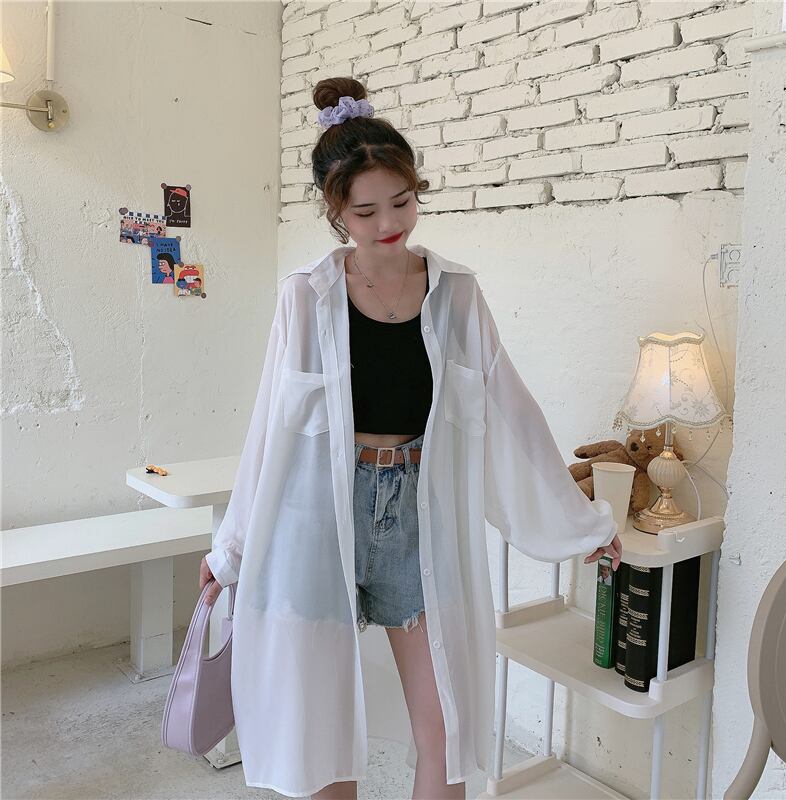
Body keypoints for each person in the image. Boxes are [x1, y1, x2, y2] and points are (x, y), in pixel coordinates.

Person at [198, 77, 622, 800]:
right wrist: (229, 550)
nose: (389, 222)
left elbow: (509, 413)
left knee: (449, 731)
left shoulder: (457, 295)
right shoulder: (306, 296)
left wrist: (579, 526)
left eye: (402, 201)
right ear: (336, 212)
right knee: (318, 733)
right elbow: (270, 427)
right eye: (365, 211)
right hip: (314, 520)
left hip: (419, 519)